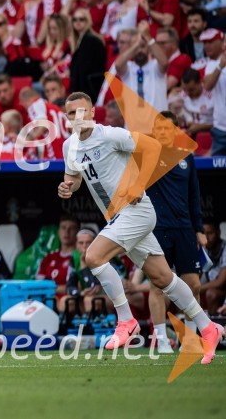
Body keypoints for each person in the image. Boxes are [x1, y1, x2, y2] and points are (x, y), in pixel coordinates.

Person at [57, 92, 223, 363]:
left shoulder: (111, 135)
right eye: (71, 114)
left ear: (92, 114)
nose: (77, 117)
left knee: (93, 256)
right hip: (117, 217)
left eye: (81, 111)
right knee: (162, 278)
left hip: (136, 211)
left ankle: (126, 321)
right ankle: (209, 327)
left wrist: (137, 185)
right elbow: (73, 178)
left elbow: (153, 148)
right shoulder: (69, 147)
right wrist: (67, 188)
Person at [147, 111, 205, 353]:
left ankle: (190, 339)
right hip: (156, 228)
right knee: (157, 285)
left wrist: (199, 229)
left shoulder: (186, 158)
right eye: (158, 129)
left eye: (167, 129)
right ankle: (160, 340)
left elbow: (194, 196)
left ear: (176, 131)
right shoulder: (146, 156)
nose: (162, 133)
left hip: (184, 228)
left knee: (193, 284)